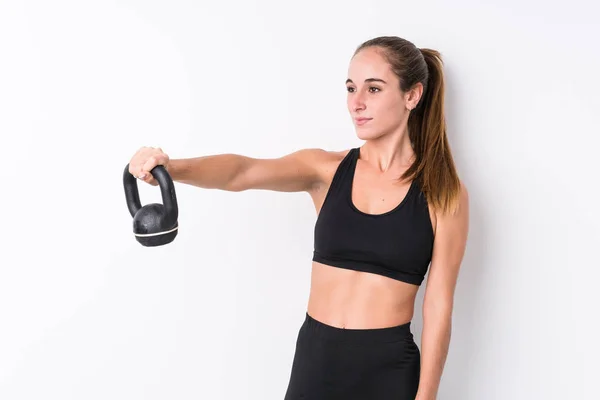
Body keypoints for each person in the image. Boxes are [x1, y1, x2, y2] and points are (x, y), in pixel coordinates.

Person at [128, 36, 469, 400]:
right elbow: (242, 172)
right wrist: (171, 168)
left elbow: (438, 304)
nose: (357, 103)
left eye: (374, 88)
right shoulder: (325, 170)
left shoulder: (443, 193)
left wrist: (427, 395)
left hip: (388, 372)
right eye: (351, 88)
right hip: (316, 362)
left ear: (412, 96)